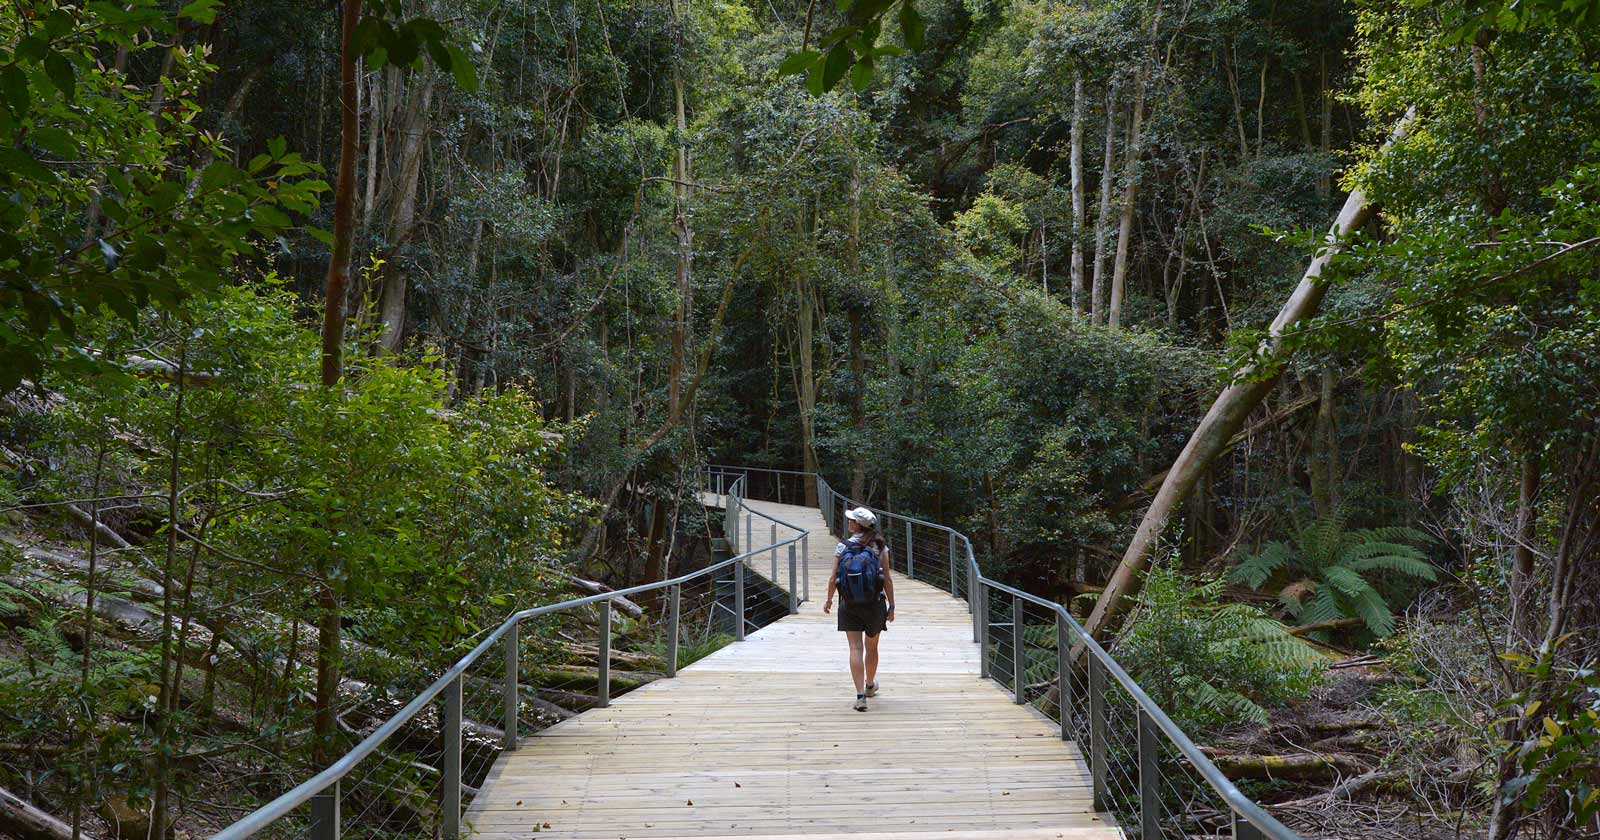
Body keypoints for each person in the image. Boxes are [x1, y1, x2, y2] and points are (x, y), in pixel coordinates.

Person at [824, 506, 895, 711]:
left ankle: (860, 696)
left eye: (851, 520)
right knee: (871, 647)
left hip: (849, 603)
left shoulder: (842, 547)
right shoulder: (879, 546)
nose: (849, 522)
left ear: (857, 525)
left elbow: (833, 578)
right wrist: (892, 606)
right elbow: (887, 579)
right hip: (874, 604)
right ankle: (870, 685)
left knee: (855, 648)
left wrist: (829, 600)